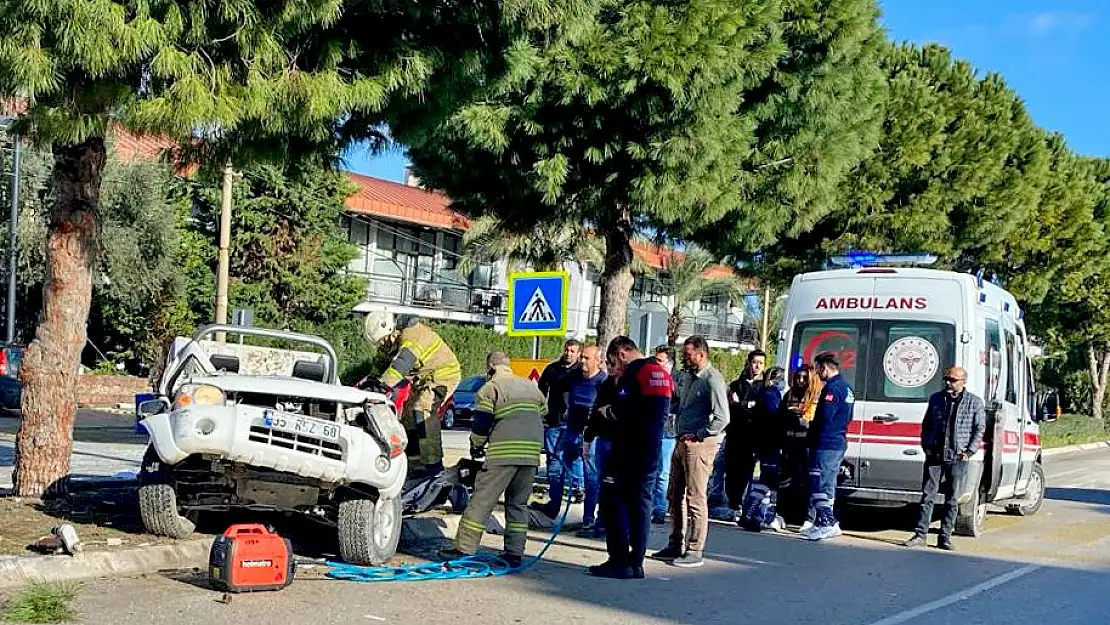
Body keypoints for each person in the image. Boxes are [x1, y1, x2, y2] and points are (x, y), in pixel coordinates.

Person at [439, 352, 545, 568]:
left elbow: (481, 424)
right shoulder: (530, 387)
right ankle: (514, 553)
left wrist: (475, 446)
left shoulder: (490, 388)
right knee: (518, 504)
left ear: (490, 368)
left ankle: (463, 548)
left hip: (503, 453)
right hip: (531, 454)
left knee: (481, 501)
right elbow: (544, 413)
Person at [588, 336, 673, 580]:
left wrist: (607, 411)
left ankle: (618, 561)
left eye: (614, 361)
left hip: (628, 449)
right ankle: (637, 562)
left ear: (623, 352)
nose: (615, 367)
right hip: (651, 450)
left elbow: (622, 409)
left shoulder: (635, 371)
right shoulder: (661, 372)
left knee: (614, 502)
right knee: (641, 506)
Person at [651, 336, 729, 568]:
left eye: (688, 354)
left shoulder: (712, 379)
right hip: (681, 441)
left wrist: (701, 433)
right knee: (674, 494)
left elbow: (722, 417)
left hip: (699, 444)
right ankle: (675, 543)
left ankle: (695, 549)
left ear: (701, 354)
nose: (685, 358)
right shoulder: (686, 377)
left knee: (696, 498)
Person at [365, 311, 461, 477]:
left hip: (444, 375)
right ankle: (414, 465)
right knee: (407, 419)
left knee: (423, 412)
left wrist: (382, 386)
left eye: (383, 340)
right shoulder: (390, 340)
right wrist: (371, 381)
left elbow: (402, 364)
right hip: (423, 380)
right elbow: (380, 363)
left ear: (388, 329)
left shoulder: (412, 334)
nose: (382, 344)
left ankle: (434, 468)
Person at [903, 366, 986, 551]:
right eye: (946, 379)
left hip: (957, 456)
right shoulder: (937, 399)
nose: (948, 383)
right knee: (927, 495)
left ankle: (945, 537)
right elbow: (927, 424)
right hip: (935, 454)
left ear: (963, 382)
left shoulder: (974, 402)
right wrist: (926, 446)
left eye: (953, 380)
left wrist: (969, 452)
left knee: (952, 499)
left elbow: (979, 429)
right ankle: (920, 534)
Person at [537, 344, 608, 521]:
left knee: (591, 476)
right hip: (570, 430)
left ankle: (588, 518)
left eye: (586, 358)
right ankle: (553, 506)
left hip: (590, 435)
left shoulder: (602, 382)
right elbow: (554, 386)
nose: (582, 361)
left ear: (598, 361)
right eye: (582, 357)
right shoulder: (574, 376)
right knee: (555, 466)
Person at [801, 352, 855, 541]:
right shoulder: (847, 388)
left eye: (817, 369)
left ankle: (827, 522)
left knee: (819, 484)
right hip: (838, 441)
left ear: (824, 367)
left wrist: (809, 427)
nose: (816, 373)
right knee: (828, 484)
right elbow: (849, 418)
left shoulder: (832, 388)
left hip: (826, 442)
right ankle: (821, 522)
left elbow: (824, 417)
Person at [715, 349, 767, 520]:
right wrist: (743, 405)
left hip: (753, 436)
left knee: (748, 471)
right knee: (731, 471)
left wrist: (743, 404)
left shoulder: (765, 387)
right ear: (749, 363)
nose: (757, 366)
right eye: (755, 362)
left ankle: (746, 505)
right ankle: (733, 504)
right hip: (735, 435)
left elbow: (761, 408)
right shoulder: (737, 384)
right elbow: (729, 406)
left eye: (761, 363)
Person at [576, 350, 620, 539]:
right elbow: (596, 413)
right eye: (608, 365)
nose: (610, 369)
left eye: (613, 365)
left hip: (619, 441)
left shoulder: (626, 385)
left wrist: (609, 411)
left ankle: (611, 525)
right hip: (602, 439)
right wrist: (587, 439)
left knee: (611, 485)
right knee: (601, 482)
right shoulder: (607, 384)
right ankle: (598, 522)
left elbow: (624, 413)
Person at [739, 367, 787, 532]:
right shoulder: (771, 396)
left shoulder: (764, 394)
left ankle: (753, 515)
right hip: (769, 444)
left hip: (762, 444)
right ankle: (753, 514)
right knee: (766, 481)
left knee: (763, 481)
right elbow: (774, 421)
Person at [537, 340, 584, 506]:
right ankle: (555, 495)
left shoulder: (581, 371)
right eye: (566, 350)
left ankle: (578, 489)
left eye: (572, 351)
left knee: (574, 457)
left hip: (574, 422)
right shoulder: (552, 369)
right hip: (554, 421)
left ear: (579, 354)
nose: (568, 353)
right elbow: (541, 390)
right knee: (553, 458)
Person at [779, 365, 821, 522]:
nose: (801, 381)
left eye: (804, 378)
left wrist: (803, 421)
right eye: (798, 377)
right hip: (790, 443)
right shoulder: (789, 394)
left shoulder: (817, 397)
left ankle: (807, 518)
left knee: (807, 482)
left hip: (807, 444)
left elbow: (816, 421)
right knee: (786, 481)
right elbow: (780, 416)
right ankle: (783, 514)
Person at [652, 345, 678, 524]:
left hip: (669, 431)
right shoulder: (652, 377)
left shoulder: (678, 380)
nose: (656, 364)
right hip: (652, 428)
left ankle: (660, 508)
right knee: (651, 469)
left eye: (660, 361)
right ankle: (652, 505)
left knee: (663, 471)